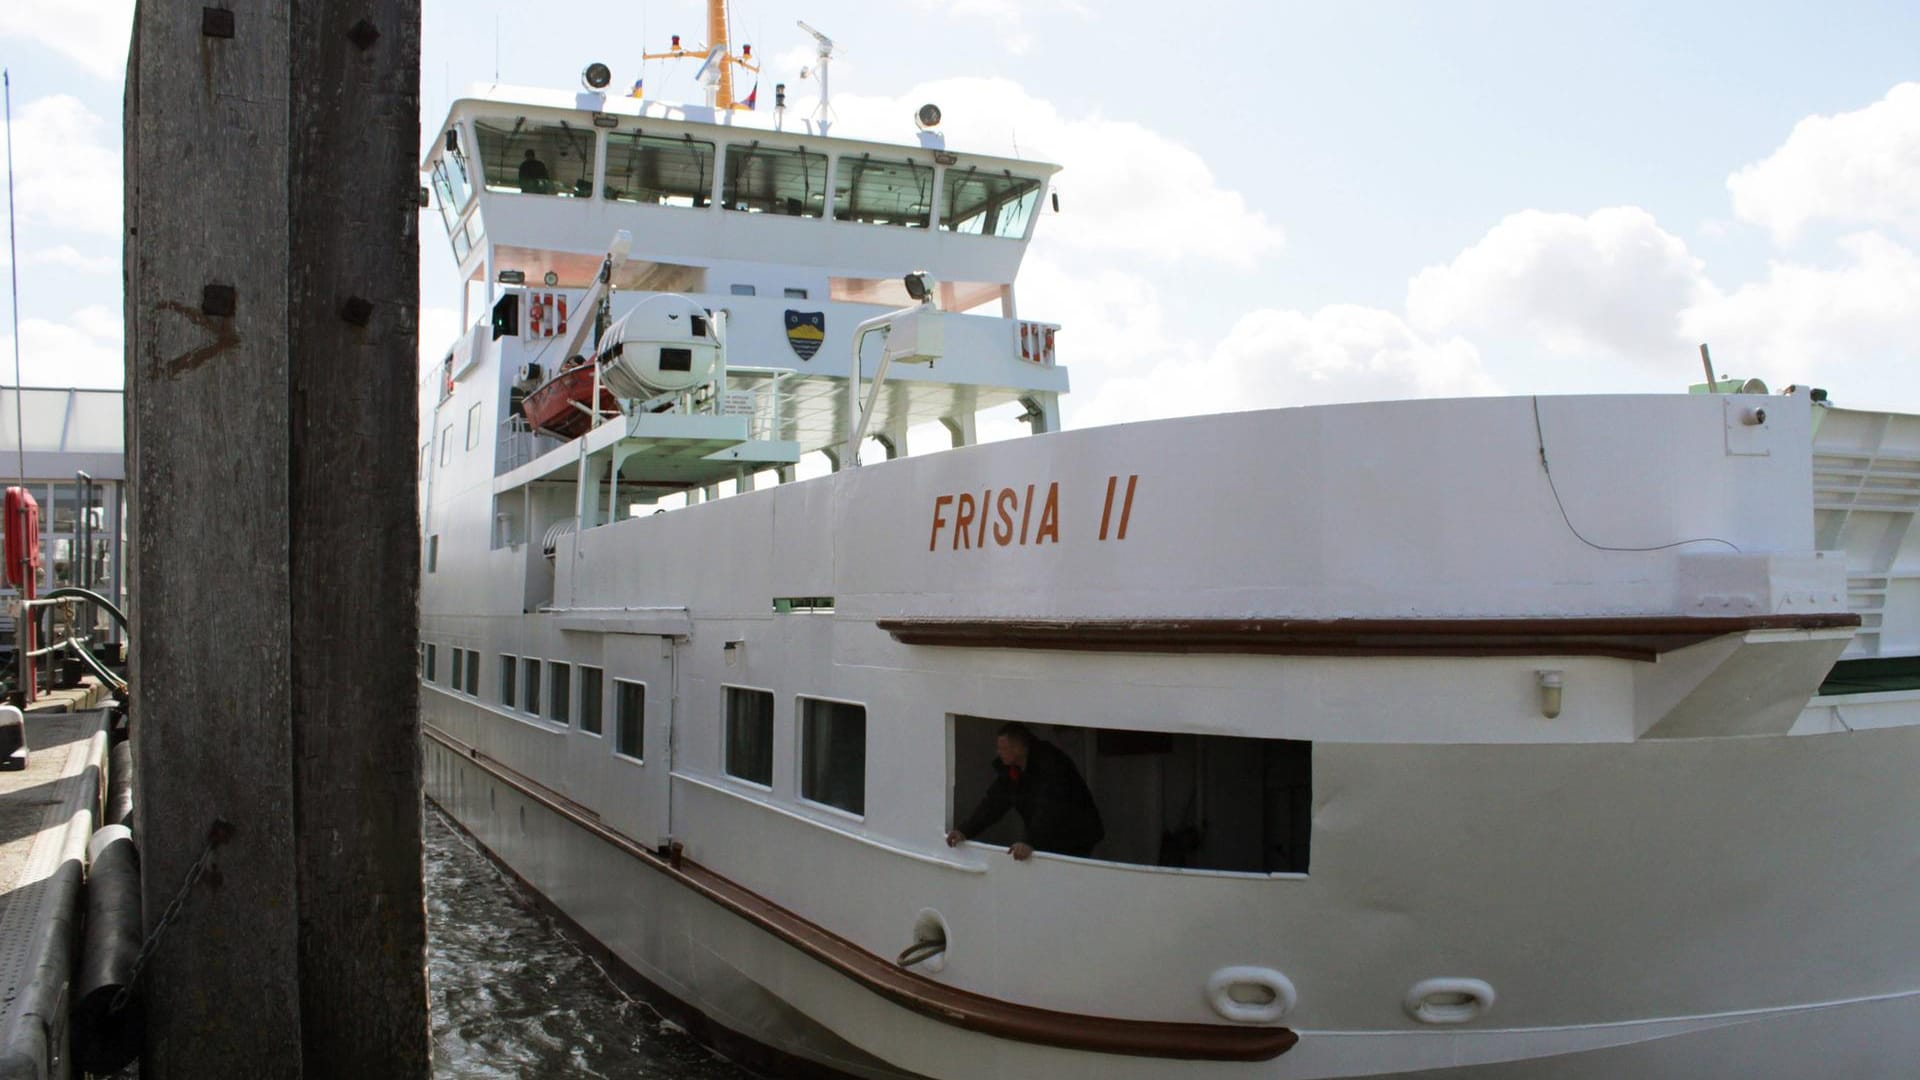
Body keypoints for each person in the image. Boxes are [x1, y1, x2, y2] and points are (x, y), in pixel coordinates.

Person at [946, 723, 1103, 860]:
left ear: (1019, 748)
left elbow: (1049, 805)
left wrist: (1030, 841)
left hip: (1075, 835)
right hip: (1049, 837)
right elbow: (993, 803)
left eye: (1003, 748)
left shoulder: (1050, 764)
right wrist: (964, 831)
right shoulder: (1012, 771)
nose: (998, 752)